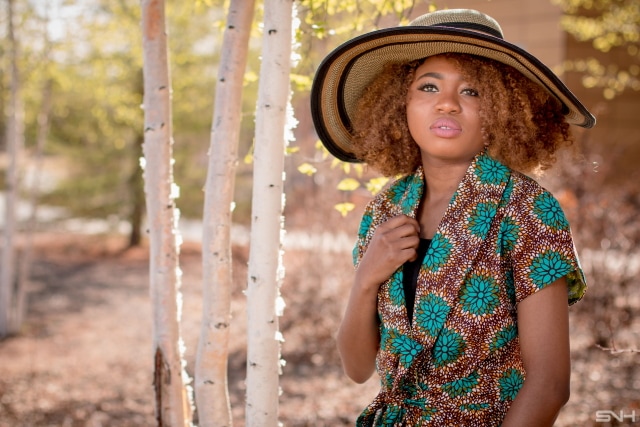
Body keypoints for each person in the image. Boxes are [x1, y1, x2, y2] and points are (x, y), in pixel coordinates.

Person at [310, 9, 594, 427]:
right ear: (399, 104)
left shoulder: (527, 209)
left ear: (502, 110)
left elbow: (550, 384)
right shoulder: (387, 207)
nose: (447, 103)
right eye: (428, 86)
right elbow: (357, 368)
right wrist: (366, 277)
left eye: (473, 92)